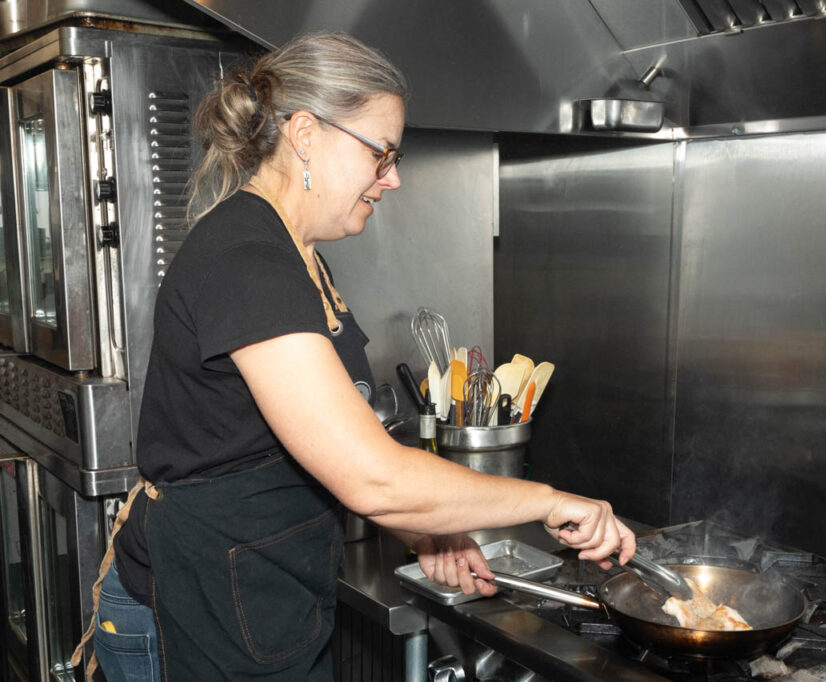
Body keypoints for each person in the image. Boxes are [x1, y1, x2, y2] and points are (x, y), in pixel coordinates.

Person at [75, 32, 635, 681]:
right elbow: (370, 476)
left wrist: (426, 531)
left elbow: (325, 440)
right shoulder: (247, 262)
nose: (393, 178)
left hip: (256, 594)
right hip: (197, 605)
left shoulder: (298, 255)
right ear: (307, 133)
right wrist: (549, 500)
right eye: (381, 153)